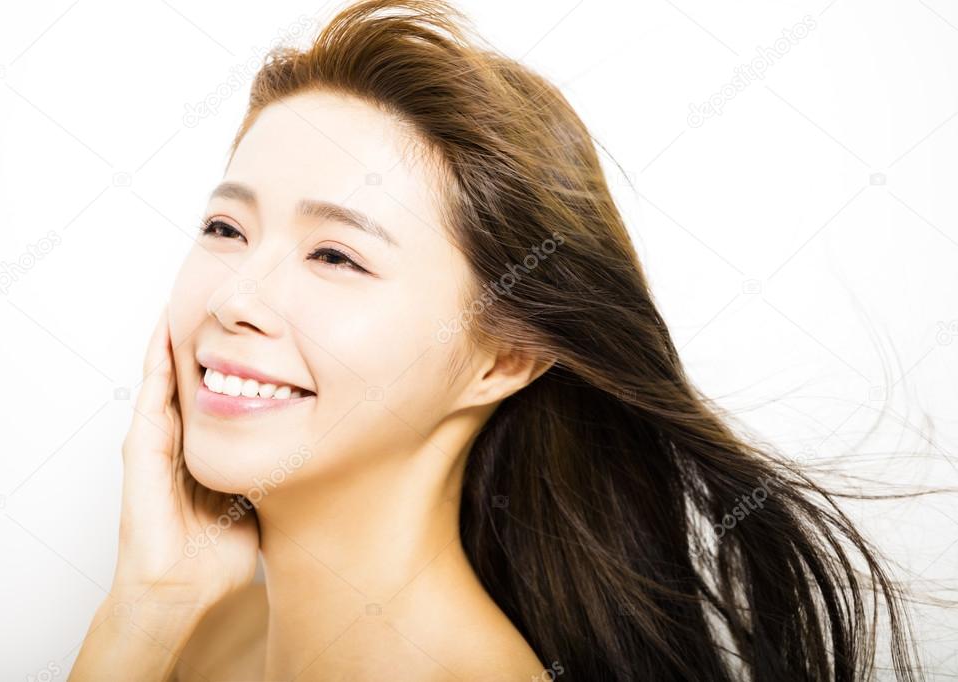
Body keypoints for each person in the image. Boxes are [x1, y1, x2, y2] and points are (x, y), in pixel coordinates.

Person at [72, 1, 922, 679]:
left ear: (502, 357)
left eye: (335, 254)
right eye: (226, 227)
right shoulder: (200, 642)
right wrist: (146, 609)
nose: (236, 297)